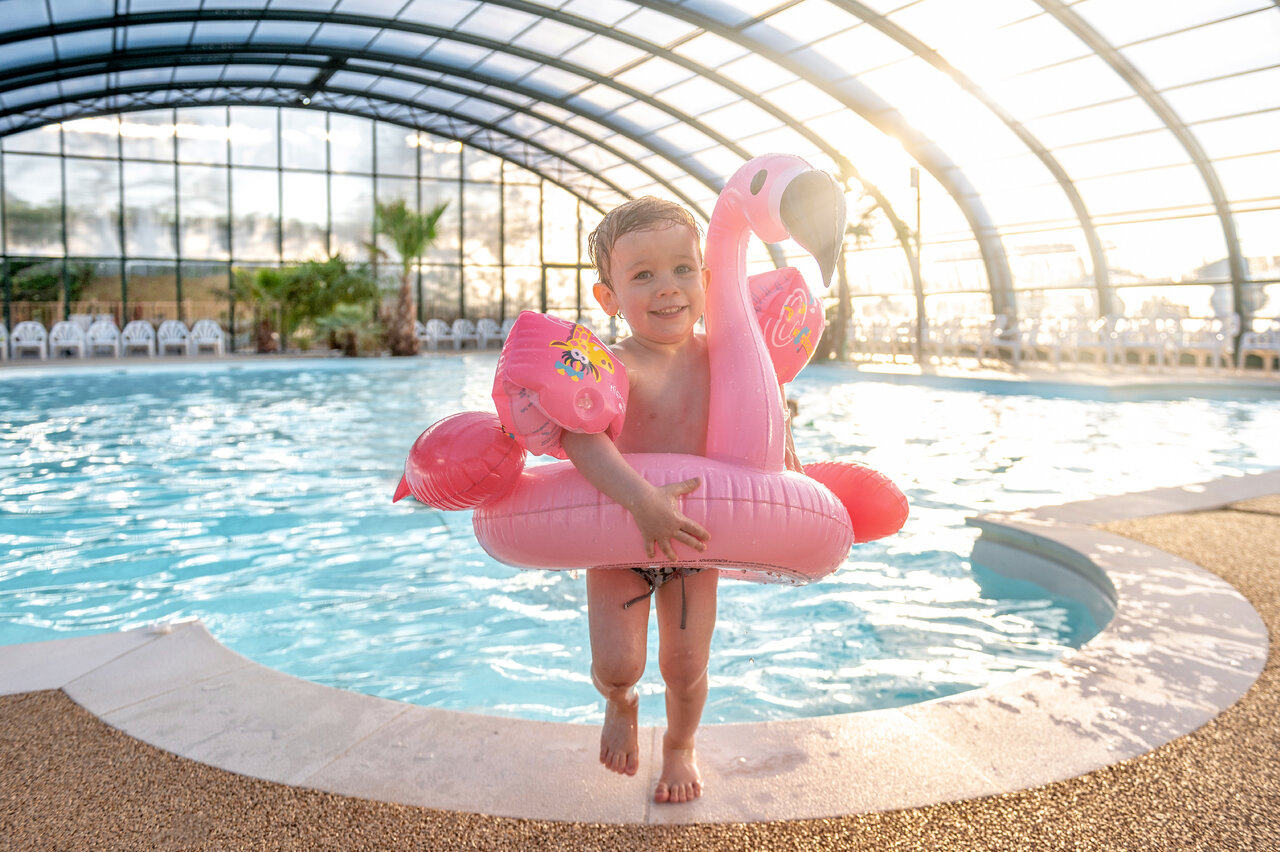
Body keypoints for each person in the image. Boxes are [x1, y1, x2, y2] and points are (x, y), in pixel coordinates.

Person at [560, 196, 801, 804]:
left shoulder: (729, 361)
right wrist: (641, 500)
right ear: (609, 299)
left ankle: (680, 746)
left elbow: (766, 411)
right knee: (617, 663)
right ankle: (621, 702)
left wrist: (789, 456)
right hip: (622, 536)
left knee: (687, 664)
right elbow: (579, 441)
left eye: (681, 269)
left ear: (707, 278)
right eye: (642, 275)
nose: (666, 288)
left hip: (695, 540)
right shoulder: (615, 366)